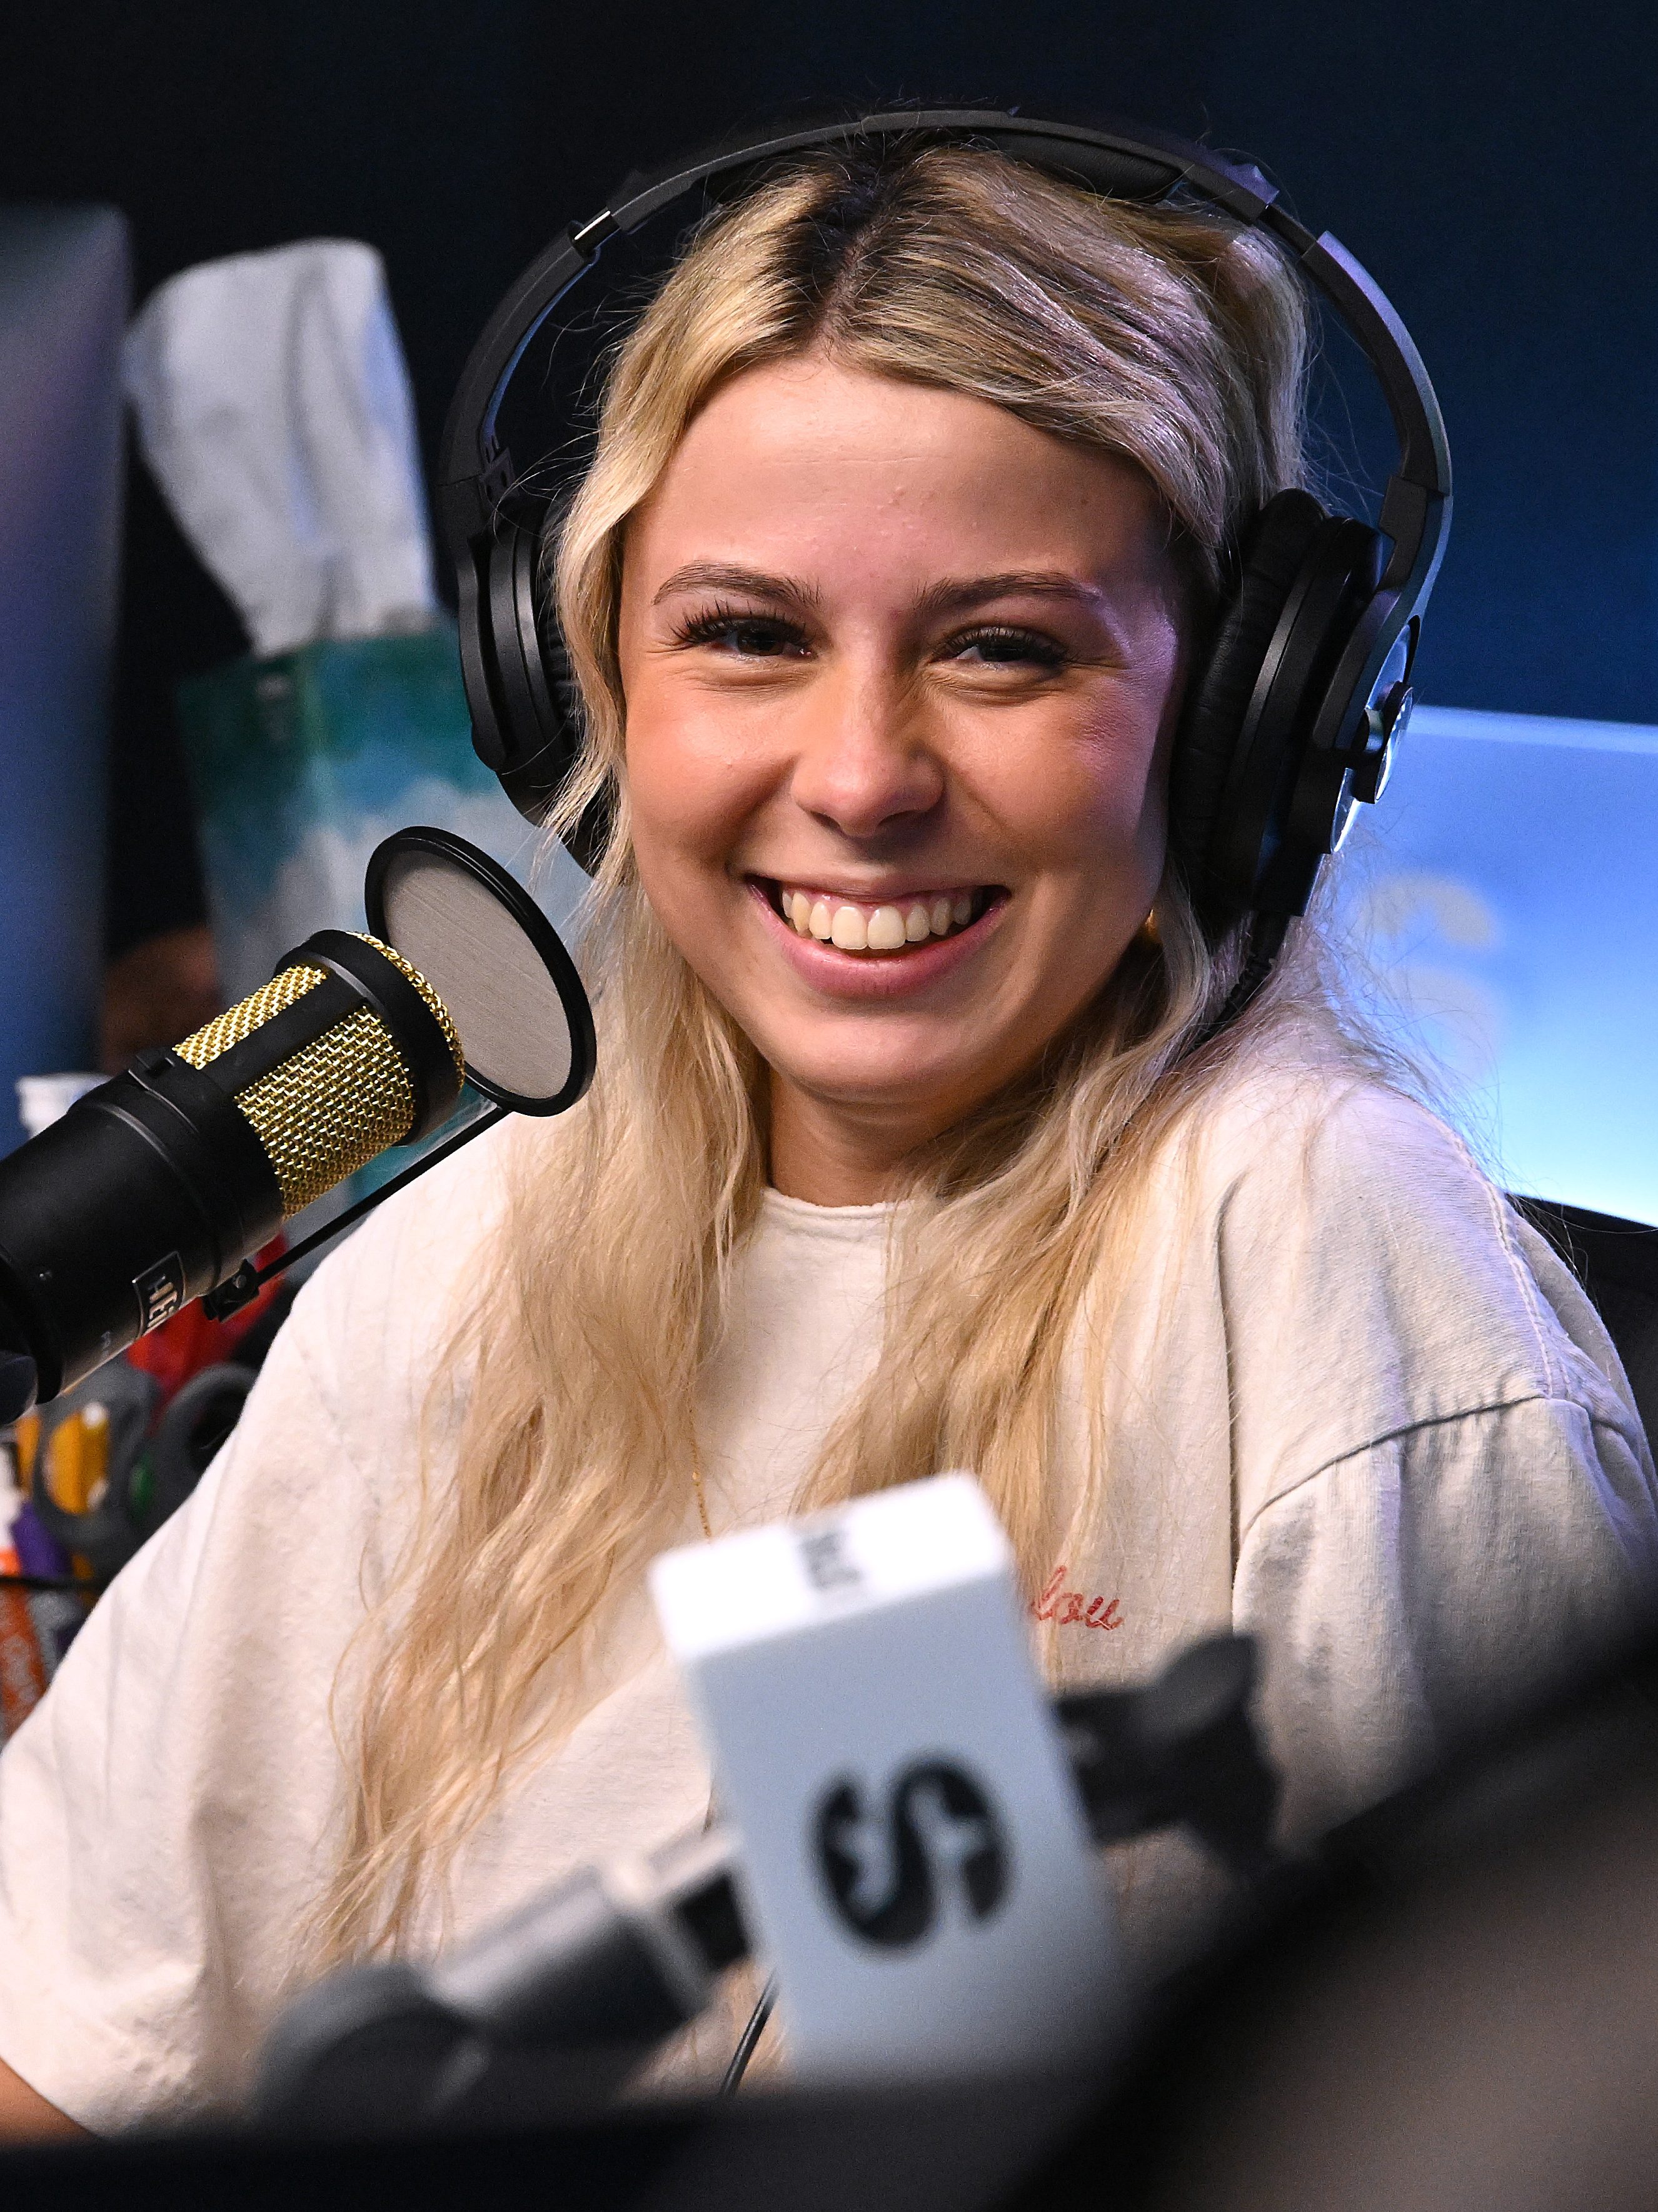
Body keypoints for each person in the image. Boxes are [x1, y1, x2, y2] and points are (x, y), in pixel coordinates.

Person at [2, 139, 1654, 2140]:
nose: (861, 777)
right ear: (578, 680)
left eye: (1002, 646)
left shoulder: (1326, 1268)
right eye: (747, 636)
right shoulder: (486, 1248)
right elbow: (75, 2032)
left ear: (1238, 720)